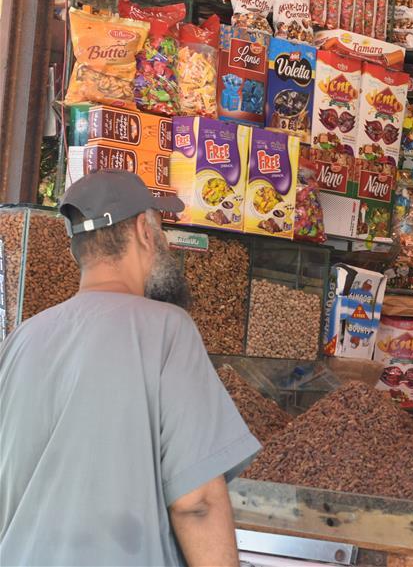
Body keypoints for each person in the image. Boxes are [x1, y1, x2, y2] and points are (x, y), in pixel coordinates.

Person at [0, 172, 261, 566]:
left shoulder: (20, 341)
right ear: (144, 231)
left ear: (77, 251)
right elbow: (198, 503)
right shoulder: (167, 329)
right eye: (162, 228)